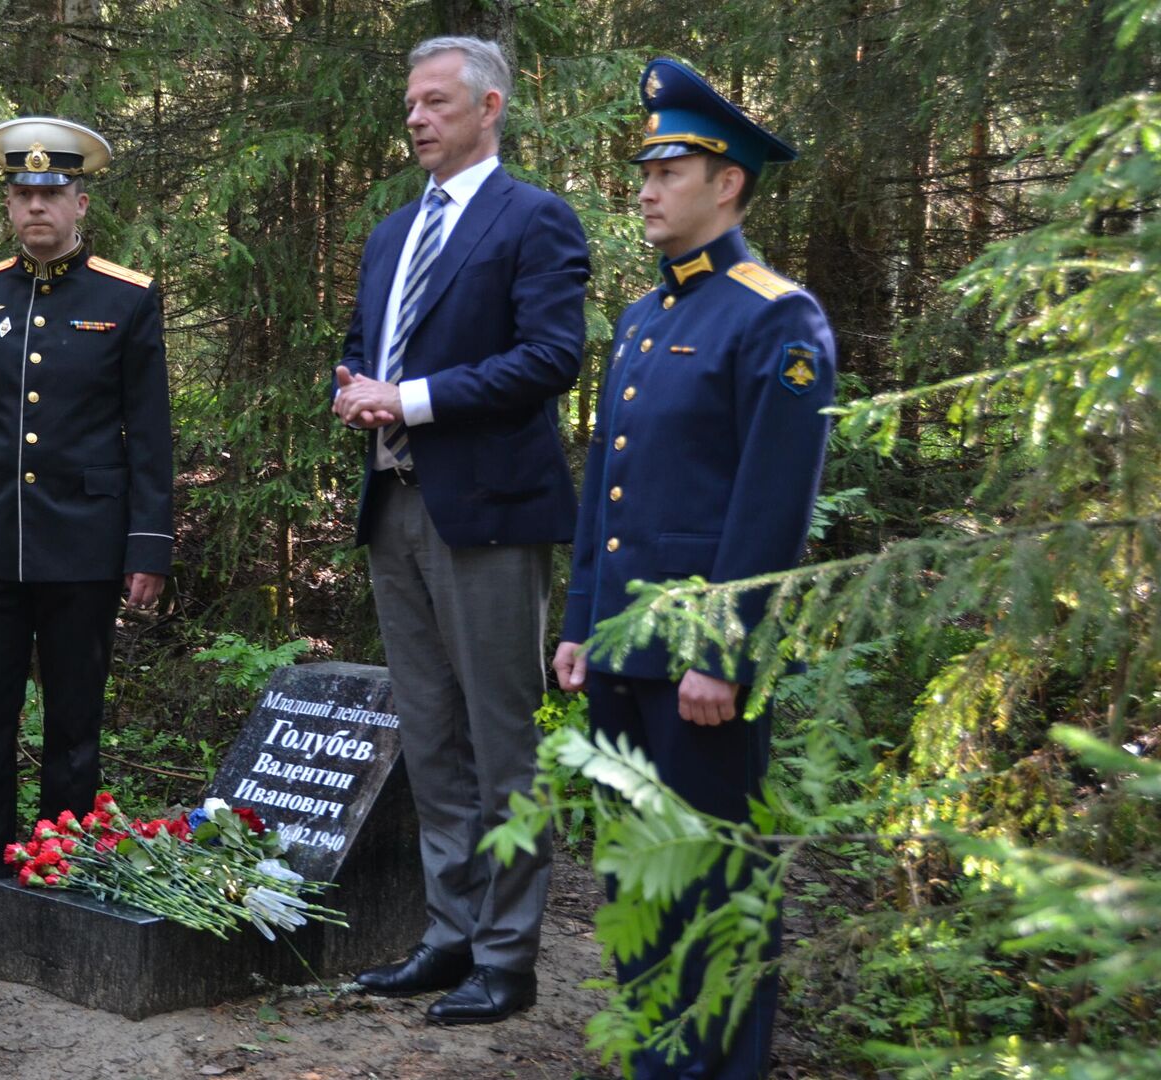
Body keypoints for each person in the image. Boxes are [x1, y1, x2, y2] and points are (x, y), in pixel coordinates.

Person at [551, 57, 836, 1078]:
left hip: (700, 679)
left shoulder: (776, 318)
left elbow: (770, 510)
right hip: (625, 661)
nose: (646, 187)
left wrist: (722, 654)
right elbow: (609, 494)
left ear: (729, 182)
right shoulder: (642, 317)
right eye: (644, 168)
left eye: (670, 168)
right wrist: (581, 622)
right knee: (641, 888)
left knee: (714, 896)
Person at [331, 36, 591, 1024]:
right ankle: (449, 937)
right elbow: (360, 350)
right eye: (409, 102)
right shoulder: (395, 232)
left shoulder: (537, 220)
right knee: (431, 739)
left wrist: (416, 398)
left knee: (499, 742)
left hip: (487, 518)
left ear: (490, 108)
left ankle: (507, 957)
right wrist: (354, 391)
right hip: (393, 506)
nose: (415, 117)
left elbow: (549, 359)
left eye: (435, 101)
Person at [0, 116, 173, 943]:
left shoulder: (126, 298)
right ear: (9, 205)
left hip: (87, 548)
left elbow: (151, 433)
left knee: (73, 727)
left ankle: (62, 875)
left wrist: (147, 546)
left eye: (51, 193)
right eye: (23, 194)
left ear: (79, 201)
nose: (36, 208)